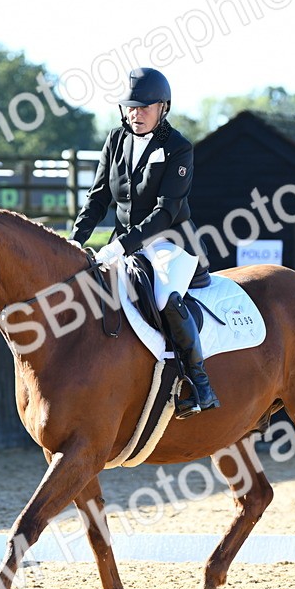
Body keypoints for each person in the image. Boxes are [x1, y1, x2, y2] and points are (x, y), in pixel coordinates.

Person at [69, 67, 219, 419]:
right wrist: (76, 241)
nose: (136, 114)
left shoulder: (178, 148)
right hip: (124, 242)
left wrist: (121, 247)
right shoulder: (115, 140)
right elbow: (98, 197)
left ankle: (199, 384)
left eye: (145, 108)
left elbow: (166, 213)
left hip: (170, 244)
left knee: (165, 298)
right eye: (130, 107)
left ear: (163, 107)